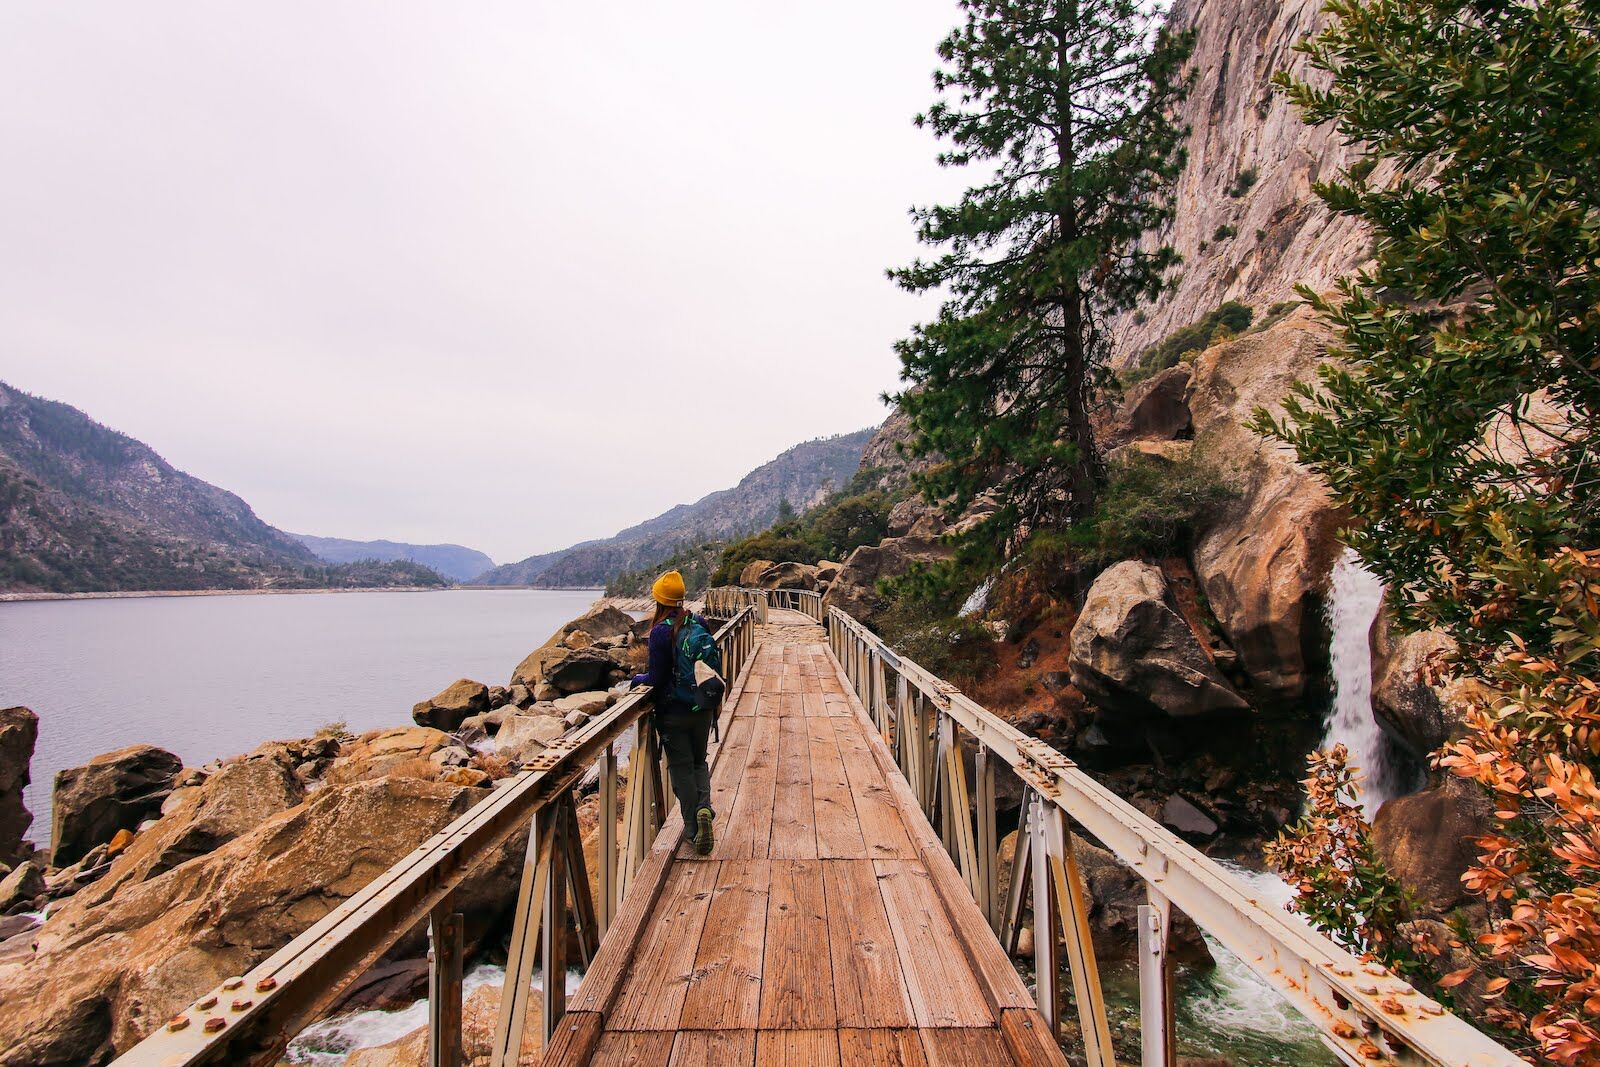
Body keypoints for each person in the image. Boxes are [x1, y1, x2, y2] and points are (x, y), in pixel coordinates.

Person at [631, 570, 718, 855]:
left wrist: (636, 681)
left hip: (673, 713)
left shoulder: (659, 632)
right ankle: (705, 808)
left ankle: (693, 828)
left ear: (660, 600)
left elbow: (655, 678)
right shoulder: (699, 622)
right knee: (698, 762)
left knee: (680, 768)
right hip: (702, 707)